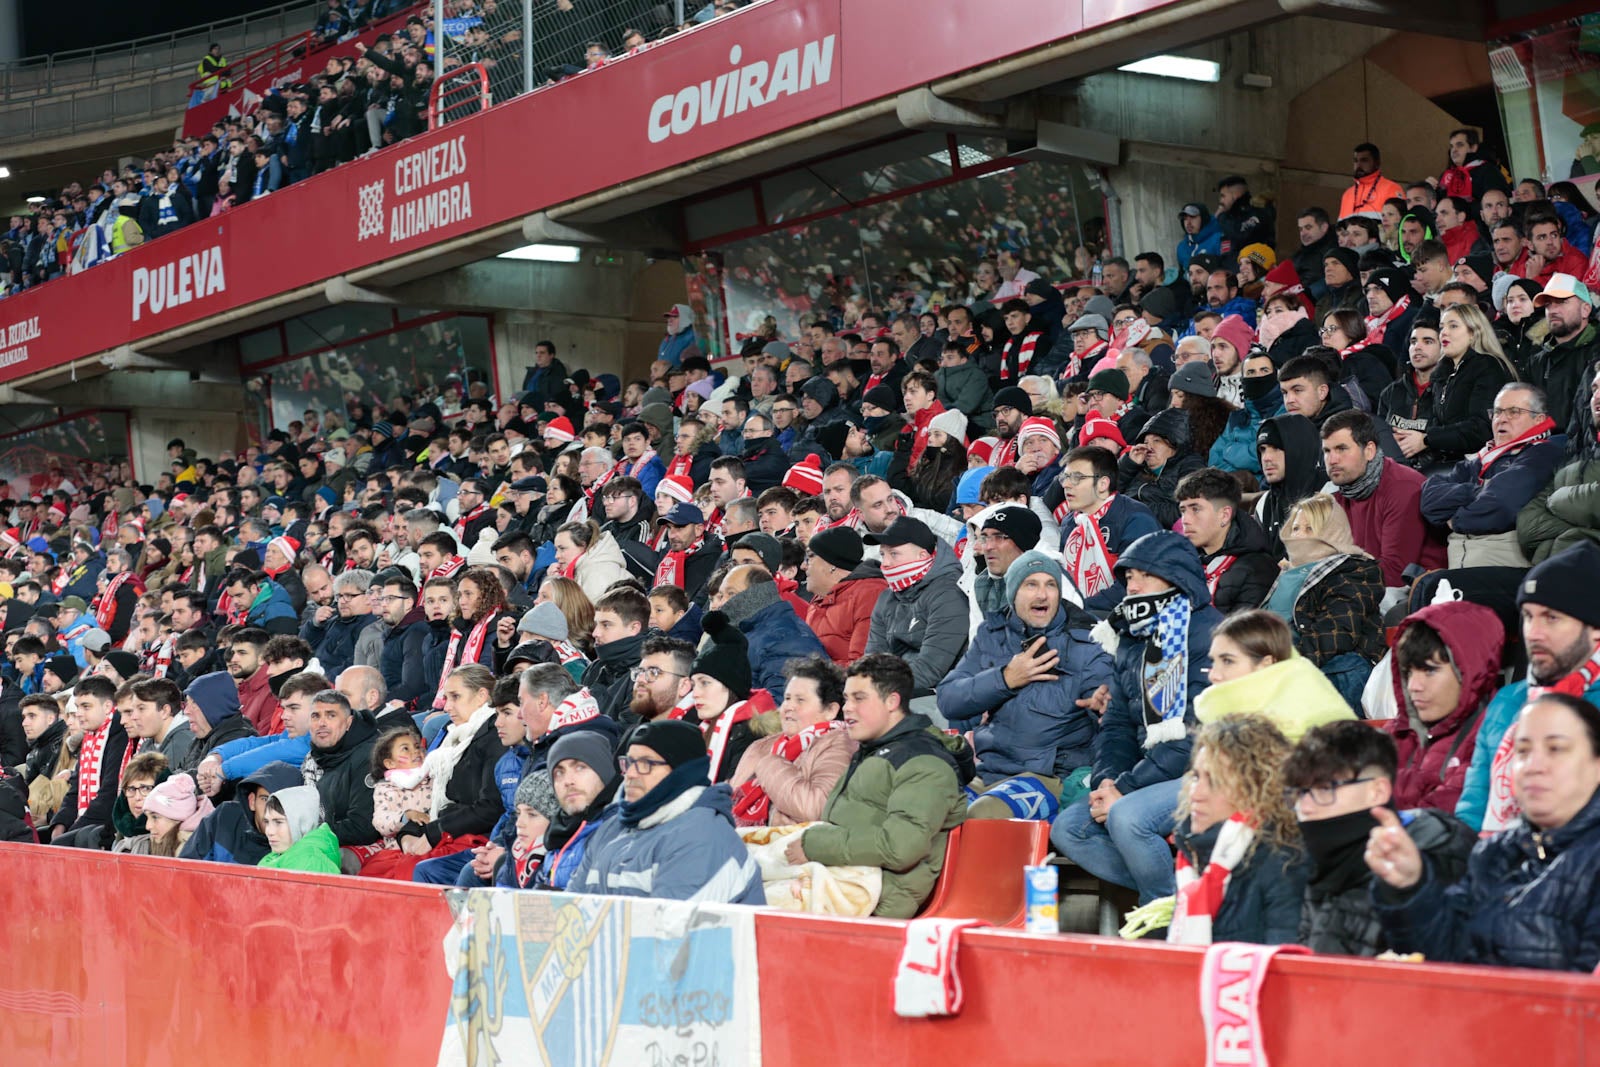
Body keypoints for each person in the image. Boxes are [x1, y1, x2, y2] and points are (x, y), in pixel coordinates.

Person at [1370, 692, 1600, 972]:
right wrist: (1410, 886)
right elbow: (1442, 958)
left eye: (1556, 749)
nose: (1533, 766)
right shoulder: (1492, 852)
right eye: (1523, 751)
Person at [1052, 531, 1222, 905]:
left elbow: (1195, 736)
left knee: (1128, 817)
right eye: (1128, 577)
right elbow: (1117, 724)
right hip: (1154, 772)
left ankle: (1164, 920)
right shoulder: (1132, 637)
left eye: (1145, 575)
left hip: (1211, 770)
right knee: (1070, 828)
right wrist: (1108, 779)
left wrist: (1125, 791)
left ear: (1177, 577)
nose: (1133, 585)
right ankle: (1179, 901)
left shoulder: (1212, 634)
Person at [786, 655, 971, 918]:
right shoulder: (873, 750)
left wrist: (815, 845)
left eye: (859, 698)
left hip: (877, 901)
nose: (847, 708)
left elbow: (901, 847)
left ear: (892, 702)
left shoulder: (925, 763)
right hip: (845, 883)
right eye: (847, 698)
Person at [938, 551, 1115, 820]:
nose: (1042, 595)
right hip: (990, 770)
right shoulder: (992, 635)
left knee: (983, 814)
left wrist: (1104, 707)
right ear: (1013, 593)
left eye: (1050, 584)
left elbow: (1106, 699)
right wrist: (1005, 679)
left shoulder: (1087, 643)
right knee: (934, 806)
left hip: (1049, 778)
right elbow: (949, 699)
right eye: (1031, 584)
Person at [1286, 721, 1476, 956]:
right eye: (1300, 792)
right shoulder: (1318, 857)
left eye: (1325, 789)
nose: (1304, 807)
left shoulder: (1440, 852)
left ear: (1377, 791)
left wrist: (1410, 887)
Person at [1457, 543, 1600, 834]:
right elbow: (1472, 812)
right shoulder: (1509, 701)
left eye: (1552, 618)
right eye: (1528, 616)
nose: (1533, 634)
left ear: (1595, 627)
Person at [569, 718, 765, 905]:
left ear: (681, 773)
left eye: (646, 764)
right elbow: (570, 912)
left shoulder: (703, 836)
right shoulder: (613, 827)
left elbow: (671, 932)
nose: (630, 774)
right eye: (628, 763)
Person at [1161, 717, 1308, 945]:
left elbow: (1286, 971)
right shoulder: (1192, 856)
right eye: (1197, 777)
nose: (1196, 794)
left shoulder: (1286, 864)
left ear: (1258, 791)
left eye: (1216, 782)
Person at [1421, 382, 1566, 572]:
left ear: (1538, 420)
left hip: (1506, 564)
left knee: (1426, 588)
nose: (1502, 419)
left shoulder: (1542, 454)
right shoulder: (1483, 458)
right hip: (1462, 561)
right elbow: (1429, 499)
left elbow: (1502, 505)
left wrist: (1455, 520)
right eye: (1497, 412)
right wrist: (1482, 490)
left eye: (1513, 412)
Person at [1380, 601, 1503, 814]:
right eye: (1408, 672)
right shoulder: (1394, 734)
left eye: (1430, 671)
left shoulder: (1493, 738)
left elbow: (1447, 823)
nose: (1414, 687)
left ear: (1470, 673)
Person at [1263, 494, 1384, 708]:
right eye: (1296, 528)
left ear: (1331, 533)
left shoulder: (1355, 570)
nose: (1299, 536)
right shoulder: (1284, 573)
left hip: (1333, 673)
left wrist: (1280, 666)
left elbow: (1336, 633)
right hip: (1284, 669)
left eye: (1310, 529)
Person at [1322, 410, 1446, 599]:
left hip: (1416, 591)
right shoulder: (1339, 494)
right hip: (1367, 583)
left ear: (1369, 451)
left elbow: (1396, 571)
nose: (1332, 460)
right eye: (1327, 451)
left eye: (1342, 449)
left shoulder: (1402, 487)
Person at [729, 656, 855, 827]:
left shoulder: (838, 743)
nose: (788, 706)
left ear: (830, 710)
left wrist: (770, 764)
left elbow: (815, 809)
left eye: (800, 700)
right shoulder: (763, 745)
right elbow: (733, 795)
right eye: (787, 698)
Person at [1194, 610, 1354, 742]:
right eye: (1213, 661)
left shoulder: (1308, 734)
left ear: (1267, 663)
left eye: (1228, 661)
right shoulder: (1228, 717)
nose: (1213, 675)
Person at [862, 517, 968, 698]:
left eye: (893, 554)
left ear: (922, 556)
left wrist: (873, 692)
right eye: (882, 555)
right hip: (890, 692)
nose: (885, 563)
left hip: (938, 696)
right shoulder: (887, 596)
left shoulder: (949, 595)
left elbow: (930, 670)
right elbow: (872, 660)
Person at [1057, 446, 1162, 616]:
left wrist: (1078, 607)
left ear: (1103, 484)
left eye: (1076, 478)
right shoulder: (1071, 522)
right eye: (1065, 477)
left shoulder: (1136, 519)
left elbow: (1135, 586)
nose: (1067, 484)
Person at [1174, 467, 1277, 615]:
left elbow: (1239, 635)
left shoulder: (1257, 568)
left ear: (1224, 515)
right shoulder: (1182, 561)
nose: (1185, 520)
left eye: (1195, 509)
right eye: (1183, 511)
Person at [534, 730, 623, 891]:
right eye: (559, 772)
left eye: (580, 767)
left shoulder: (620, 831)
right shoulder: (556, 836)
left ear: (604, 771)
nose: (568, 781)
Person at [803, 527, 885, 667]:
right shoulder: (818, 599)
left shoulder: (870, 594)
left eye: (810, 557)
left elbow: (863, 666)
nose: (803, 566)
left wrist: (814, 675)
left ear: (830, 563)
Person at [1117, 410, 1202, 530]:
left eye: (1156, 441)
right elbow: (1106, 494)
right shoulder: (1138, 469)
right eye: (1145, 442)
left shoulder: (1191, 465)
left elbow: (1185, 511)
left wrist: (1137, 508)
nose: (1148, 447)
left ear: (1175, 444)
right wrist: (1128, 464)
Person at [258, 785, 341, 874]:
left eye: (278, 822)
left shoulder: (309, 862)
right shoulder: (276, 856)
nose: (269, 831)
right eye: (267, 822)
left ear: (303, 823)